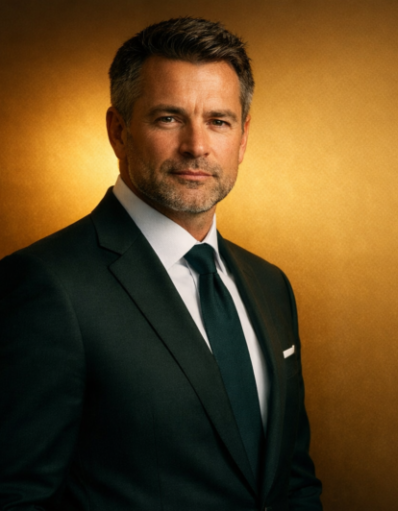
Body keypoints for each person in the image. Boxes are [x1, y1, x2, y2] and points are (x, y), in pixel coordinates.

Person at [0, 17, 322, 511]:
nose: (196, 146)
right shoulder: (46, 285)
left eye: (218, 120)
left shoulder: (270, 284)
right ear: (119, 130)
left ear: (243, 136)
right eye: (168, 118)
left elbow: (293, 481)